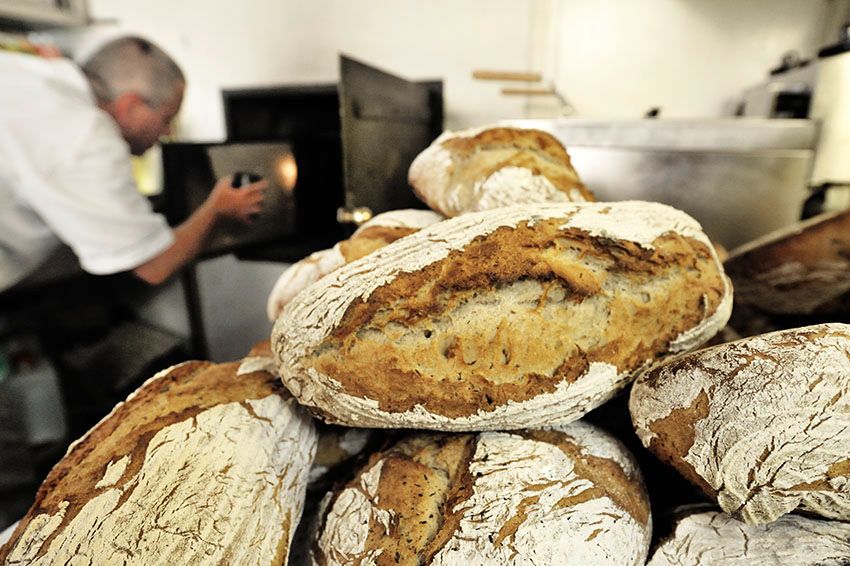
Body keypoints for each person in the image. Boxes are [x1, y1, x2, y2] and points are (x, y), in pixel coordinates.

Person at [0, 36, 267, 292]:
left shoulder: (33, 73)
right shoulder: (84, 135)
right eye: (166, 118)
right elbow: (154, 266)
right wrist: (217, 209)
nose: (166, 133)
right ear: (131, 105)